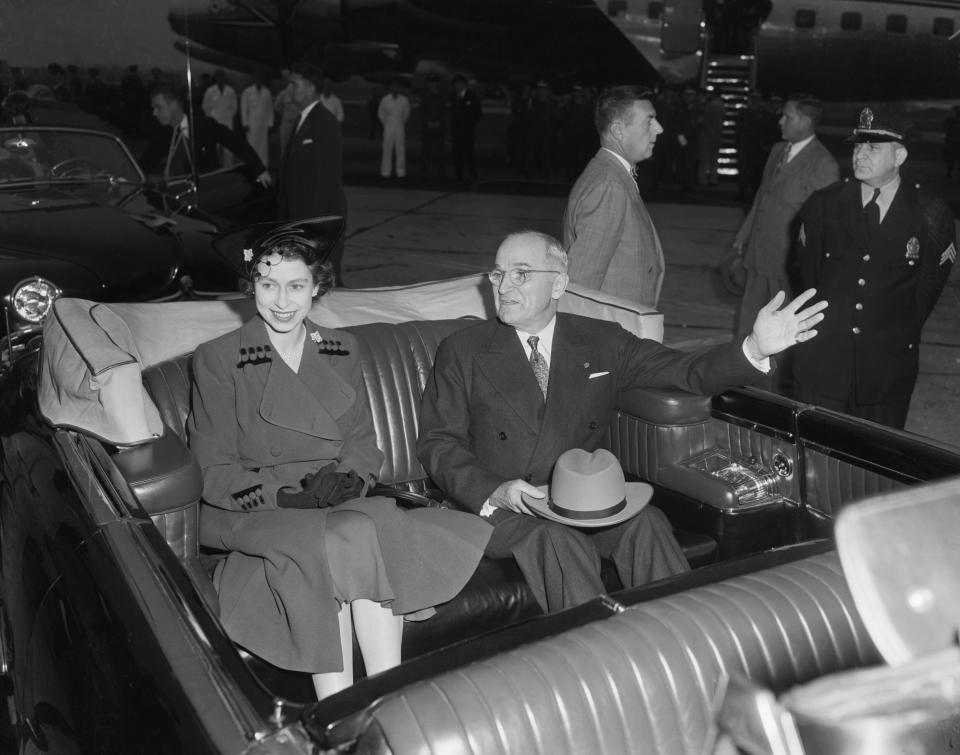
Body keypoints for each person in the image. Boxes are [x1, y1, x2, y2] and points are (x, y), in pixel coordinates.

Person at [418, 230, 826, 613]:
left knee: (646, 522)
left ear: (558, 284)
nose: (504, 286)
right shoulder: (463, 351)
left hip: (580, 499)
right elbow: (438, 442)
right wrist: (497, 491)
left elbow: (686, 371)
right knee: (556, 541)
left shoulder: (602, 340)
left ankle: (685, 641)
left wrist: (753, 348)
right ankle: (603, 668)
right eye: (498, 273)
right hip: (502, 508)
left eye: (520, 274)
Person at [188, 218, 491, 699]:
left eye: (296, 286)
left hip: (333, 499)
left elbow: (362, 441)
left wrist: (351, 479)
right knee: (337, 540)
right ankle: (340, 709)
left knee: (365, 529)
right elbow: (212, 471)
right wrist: (288, 498)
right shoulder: (219, 358)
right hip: (258, 508)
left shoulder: (340, 347)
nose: (282, 301)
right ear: (252, 287)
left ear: (317, 288)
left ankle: (386, 696)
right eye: (268, 285)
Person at [792, 107, 956, 429]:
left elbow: (925, 293)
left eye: (872, 148)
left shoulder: (929, 215)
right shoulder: (823, 205)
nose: (860, 155)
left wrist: (886, 333)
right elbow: (807, 276)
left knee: (874, 467)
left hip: (886, 371)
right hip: (823, 362)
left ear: (899, 156)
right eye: (856, 146)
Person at [732, 94, 838, 342]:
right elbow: (762, 197)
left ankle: (774, 380)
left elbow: (821, 225)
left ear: (806, 121)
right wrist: (743, 236)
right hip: (758, 255)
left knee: (782, 334)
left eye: (787, 116)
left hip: (787, 264)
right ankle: (746, 375)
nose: (780, 121)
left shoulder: (824, 164)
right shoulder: (778, 150)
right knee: (749, 324)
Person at [563, 85, 665, 308]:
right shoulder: (609, 186)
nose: (659, 129)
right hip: (614, 335)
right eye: (649, 121)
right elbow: (580, 286)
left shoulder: (614, 176)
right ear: (618, 130)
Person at [277, 63, 347, 285]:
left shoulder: (324, 123)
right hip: (300, 221)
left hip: (317, 221)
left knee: (323, 284)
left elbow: (328, 180)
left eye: (293, 84)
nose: (289, 88)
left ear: (309, 88)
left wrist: (314, 229)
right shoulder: (303, 119)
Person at [139, 85, 271, 188]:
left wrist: (259, 170)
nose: (154, 113)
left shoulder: (204, 126)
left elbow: (235, 142)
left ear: (173, 105)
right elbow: (145, 163)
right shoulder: (162, 135)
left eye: (158, 107)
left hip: (208, 190)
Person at [202, 69, 239, 166]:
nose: (220, 78)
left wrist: (230, 116)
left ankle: (228, 167)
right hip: (214, 121)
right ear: (216, 78)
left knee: (229, 146)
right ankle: (215, 167)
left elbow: (234, 106)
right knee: (215, 146)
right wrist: (210, 119)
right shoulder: (210, 91)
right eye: (218, 76)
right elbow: (205, 107)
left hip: (227, 121)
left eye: (222, 76)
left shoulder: (230, 90)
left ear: (224, 78)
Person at [450, 74, 481, 181]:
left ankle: (472, 174)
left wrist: (470, 124)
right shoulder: (452, 96)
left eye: (460, 83)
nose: (458, 85)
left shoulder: (472, 96)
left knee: (469, 153)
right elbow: (450, 112)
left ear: (464, 84)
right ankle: (459, 175)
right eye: (456, 83)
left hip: (468, 130)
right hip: (456, 130)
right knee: (457, 153)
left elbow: (477, 113)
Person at [240, 69, 274, 167]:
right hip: (251, 123)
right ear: (254, 79)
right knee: (252, 145)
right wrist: (245, 123)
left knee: (263, 146)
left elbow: (270, 109)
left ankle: (263, 167)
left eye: (261, 77)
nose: (259, 79)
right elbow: (243, 108)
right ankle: (252, 167)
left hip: (263, 123)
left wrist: (270, 123)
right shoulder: (247, 92)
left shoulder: (267, 92)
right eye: (257, 77)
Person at [378, 78, 411, 178]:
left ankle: (400, 172)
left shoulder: (404, 100)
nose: (395, 88)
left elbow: (406, 114)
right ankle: (385, 171)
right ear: (390, 88)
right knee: (387, 149)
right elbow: (381, 114)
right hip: (388, 125)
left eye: (397, 86)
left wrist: (400, 122)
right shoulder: (385, 100)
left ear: (399, 88)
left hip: (400, 125)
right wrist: (387, 124)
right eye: (393, 86)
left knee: (400, 149)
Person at [419, 73, 446, 179]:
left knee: (440, 150)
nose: (432, 84)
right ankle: (425, 173)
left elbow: (445, 111)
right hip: (427, 127)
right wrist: (427, 122)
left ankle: (440, 173)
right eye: (430, 82)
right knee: (426, 150)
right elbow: (421, 111)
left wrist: (440, 122)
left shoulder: (443, 95)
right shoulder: (423, 95)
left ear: (438, 83)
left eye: (434, 82)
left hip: (440, 127)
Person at [273, 68, 301, 157]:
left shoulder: (301, 94)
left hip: (297, 124)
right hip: (286, 124)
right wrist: (284, 114)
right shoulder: (283, 94)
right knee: (284, 149)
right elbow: (276, 107)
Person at [943, 105, 960, 180]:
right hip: (952, 142)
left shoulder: (950, 120)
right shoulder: (949, 120)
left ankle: (949, 174)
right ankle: (949, 173)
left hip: (953, 142)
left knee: (952, 159)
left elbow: (947, 129)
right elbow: (946, 129)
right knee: (951, 159)